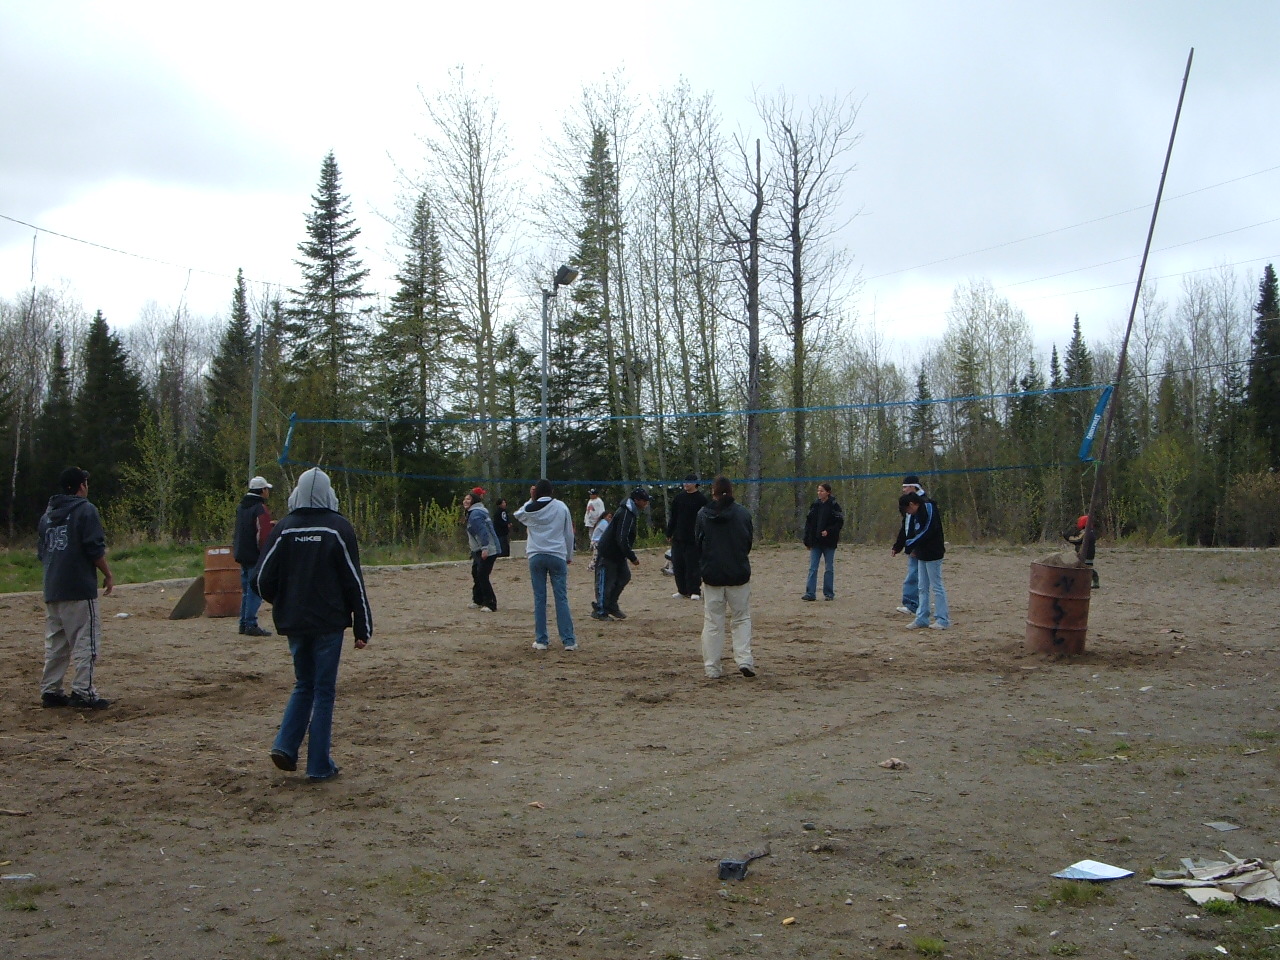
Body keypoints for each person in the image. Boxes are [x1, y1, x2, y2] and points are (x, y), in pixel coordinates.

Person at [256, 468, 372, 781]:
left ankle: (285, 745)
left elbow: (261, 578)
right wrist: (363, 628)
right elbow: (353, 582)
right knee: (323, 691)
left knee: (303, 684)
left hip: (294, 622)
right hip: (328, 623)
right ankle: (319, 765)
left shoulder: (284, 528)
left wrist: (281, 601)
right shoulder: (338, 527)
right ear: (329, 493)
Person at [37, 466, 115, 709]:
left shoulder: (47, 515)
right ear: (82, 486)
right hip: (79, 587)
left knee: (57, 642)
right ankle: (83, 691)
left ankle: (51, 690)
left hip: (53, 587)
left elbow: (42, 552)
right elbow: (94, 548)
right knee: (85, 639)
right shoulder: (85, 510)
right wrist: (108, 574)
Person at [696, 475, 755, 679]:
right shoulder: (742, 514)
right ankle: (744, 659)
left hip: (712, 575)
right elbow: (748, 541)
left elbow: (699, 543)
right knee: (741, 618)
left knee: (713, 622)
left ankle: (712, 666)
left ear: (713, 492)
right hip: (738, 573)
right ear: (731, 491)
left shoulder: (703, 515)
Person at [514, 479, 577, 651]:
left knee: (540, 598)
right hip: (557, 553)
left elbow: (518, 514)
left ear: (536, 492)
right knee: (561, 598)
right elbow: (569, 533)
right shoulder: (561, 507)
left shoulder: (530, 509)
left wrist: (531, 499)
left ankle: (541, 639)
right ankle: (568, 640)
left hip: (536, 554)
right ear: (552, 491)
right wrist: (569, 554)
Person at [596, 486, 650, 620]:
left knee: (624, 576)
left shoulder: (631, 512)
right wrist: (632, 557)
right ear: (637, 500)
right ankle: (601, 609)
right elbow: (622, 538)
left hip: (619, 553)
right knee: (607, 582)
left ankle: (611, 605)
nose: (646, 503)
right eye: (645, 501)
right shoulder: (626, 513)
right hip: (609, 552)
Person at [901, 491, 950, 630]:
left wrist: (910, 544)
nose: (909, 513)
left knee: (937, 586)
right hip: (922, 553)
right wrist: (914, 548)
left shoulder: (928, 507)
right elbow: (916, 531)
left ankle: (942, 619)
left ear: (912, 504)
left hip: (933, 552)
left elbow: (928, 529)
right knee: (922, 587)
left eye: (908, 509)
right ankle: (922, 617)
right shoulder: (916, 513)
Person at [232, 476, 274, 636]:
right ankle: (251, 623)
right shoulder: (260, 508)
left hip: (242, 552)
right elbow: (262, 535)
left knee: (246, 590)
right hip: (255, 555)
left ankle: (243, 623)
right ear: (262, 490)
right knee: (255, 590)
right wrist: (266, 553)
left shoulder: (242, 506)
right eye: (267, 489)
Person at [666, 473, 708, 600]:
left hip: (693, 538)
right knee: (678, 565)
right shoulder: (679, 498)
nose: (686, 484)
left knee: (693, 566)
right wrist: (669, 532)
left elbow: (705, 519)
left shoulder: (701, 499)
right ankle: (682, 590)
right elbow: (673, 516)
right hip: (678, 537)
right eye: (684, 482)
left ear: (696, 483)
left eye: (689, 482)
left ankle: (694, 591)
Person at [891, 475, 929, 615]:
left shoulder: (923, 504)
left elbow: (923, 528)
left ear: (914, 487)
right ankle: (916, 604)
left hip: (919, 546)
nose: (904, 490)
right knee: (917, 576)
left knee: (914, 576)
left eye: (906, 487)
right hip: (912, 544)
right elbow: (905, 527)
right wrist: (898, 545)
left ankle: (912, 604)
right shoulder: (909, 503)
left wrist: (915, 546)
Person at [802, 481, 844, 601]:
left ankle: (829, 593)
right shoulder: (815, 505)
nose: (819, 493)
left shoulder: (834, 505)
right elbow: (808, 524)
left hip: (829, 542)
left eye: (821, 491)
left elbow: (839, 523)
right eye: (818, 491)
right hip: (816, 542)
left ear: (828, 492)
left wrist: (829, 531)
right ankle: (810, 593)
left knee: (829, 568)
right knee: (813, 568)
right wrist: (807, 540)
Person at [464, 487, 500, 612]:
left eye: (468, 499)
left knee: (482, 575)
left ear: (474, 500)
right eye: (465, 499)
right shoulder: (474, 512)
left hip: (488, 549)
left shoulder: (476, 514)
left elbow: (483, 532)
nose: (465, 501)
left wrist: (485, 548)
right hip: (478, 549)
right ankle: (478, 600)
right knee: (476, 573)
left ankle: (490, 603)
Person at [589, 509, 613, 617]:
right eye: (609, 516)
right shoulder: (604, 523)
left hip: (597, 541)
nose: (610, 519)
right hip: (598, 542)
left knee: (596, 559)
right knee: (596, 559)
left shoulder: (602, 523)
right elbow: (608, 533)